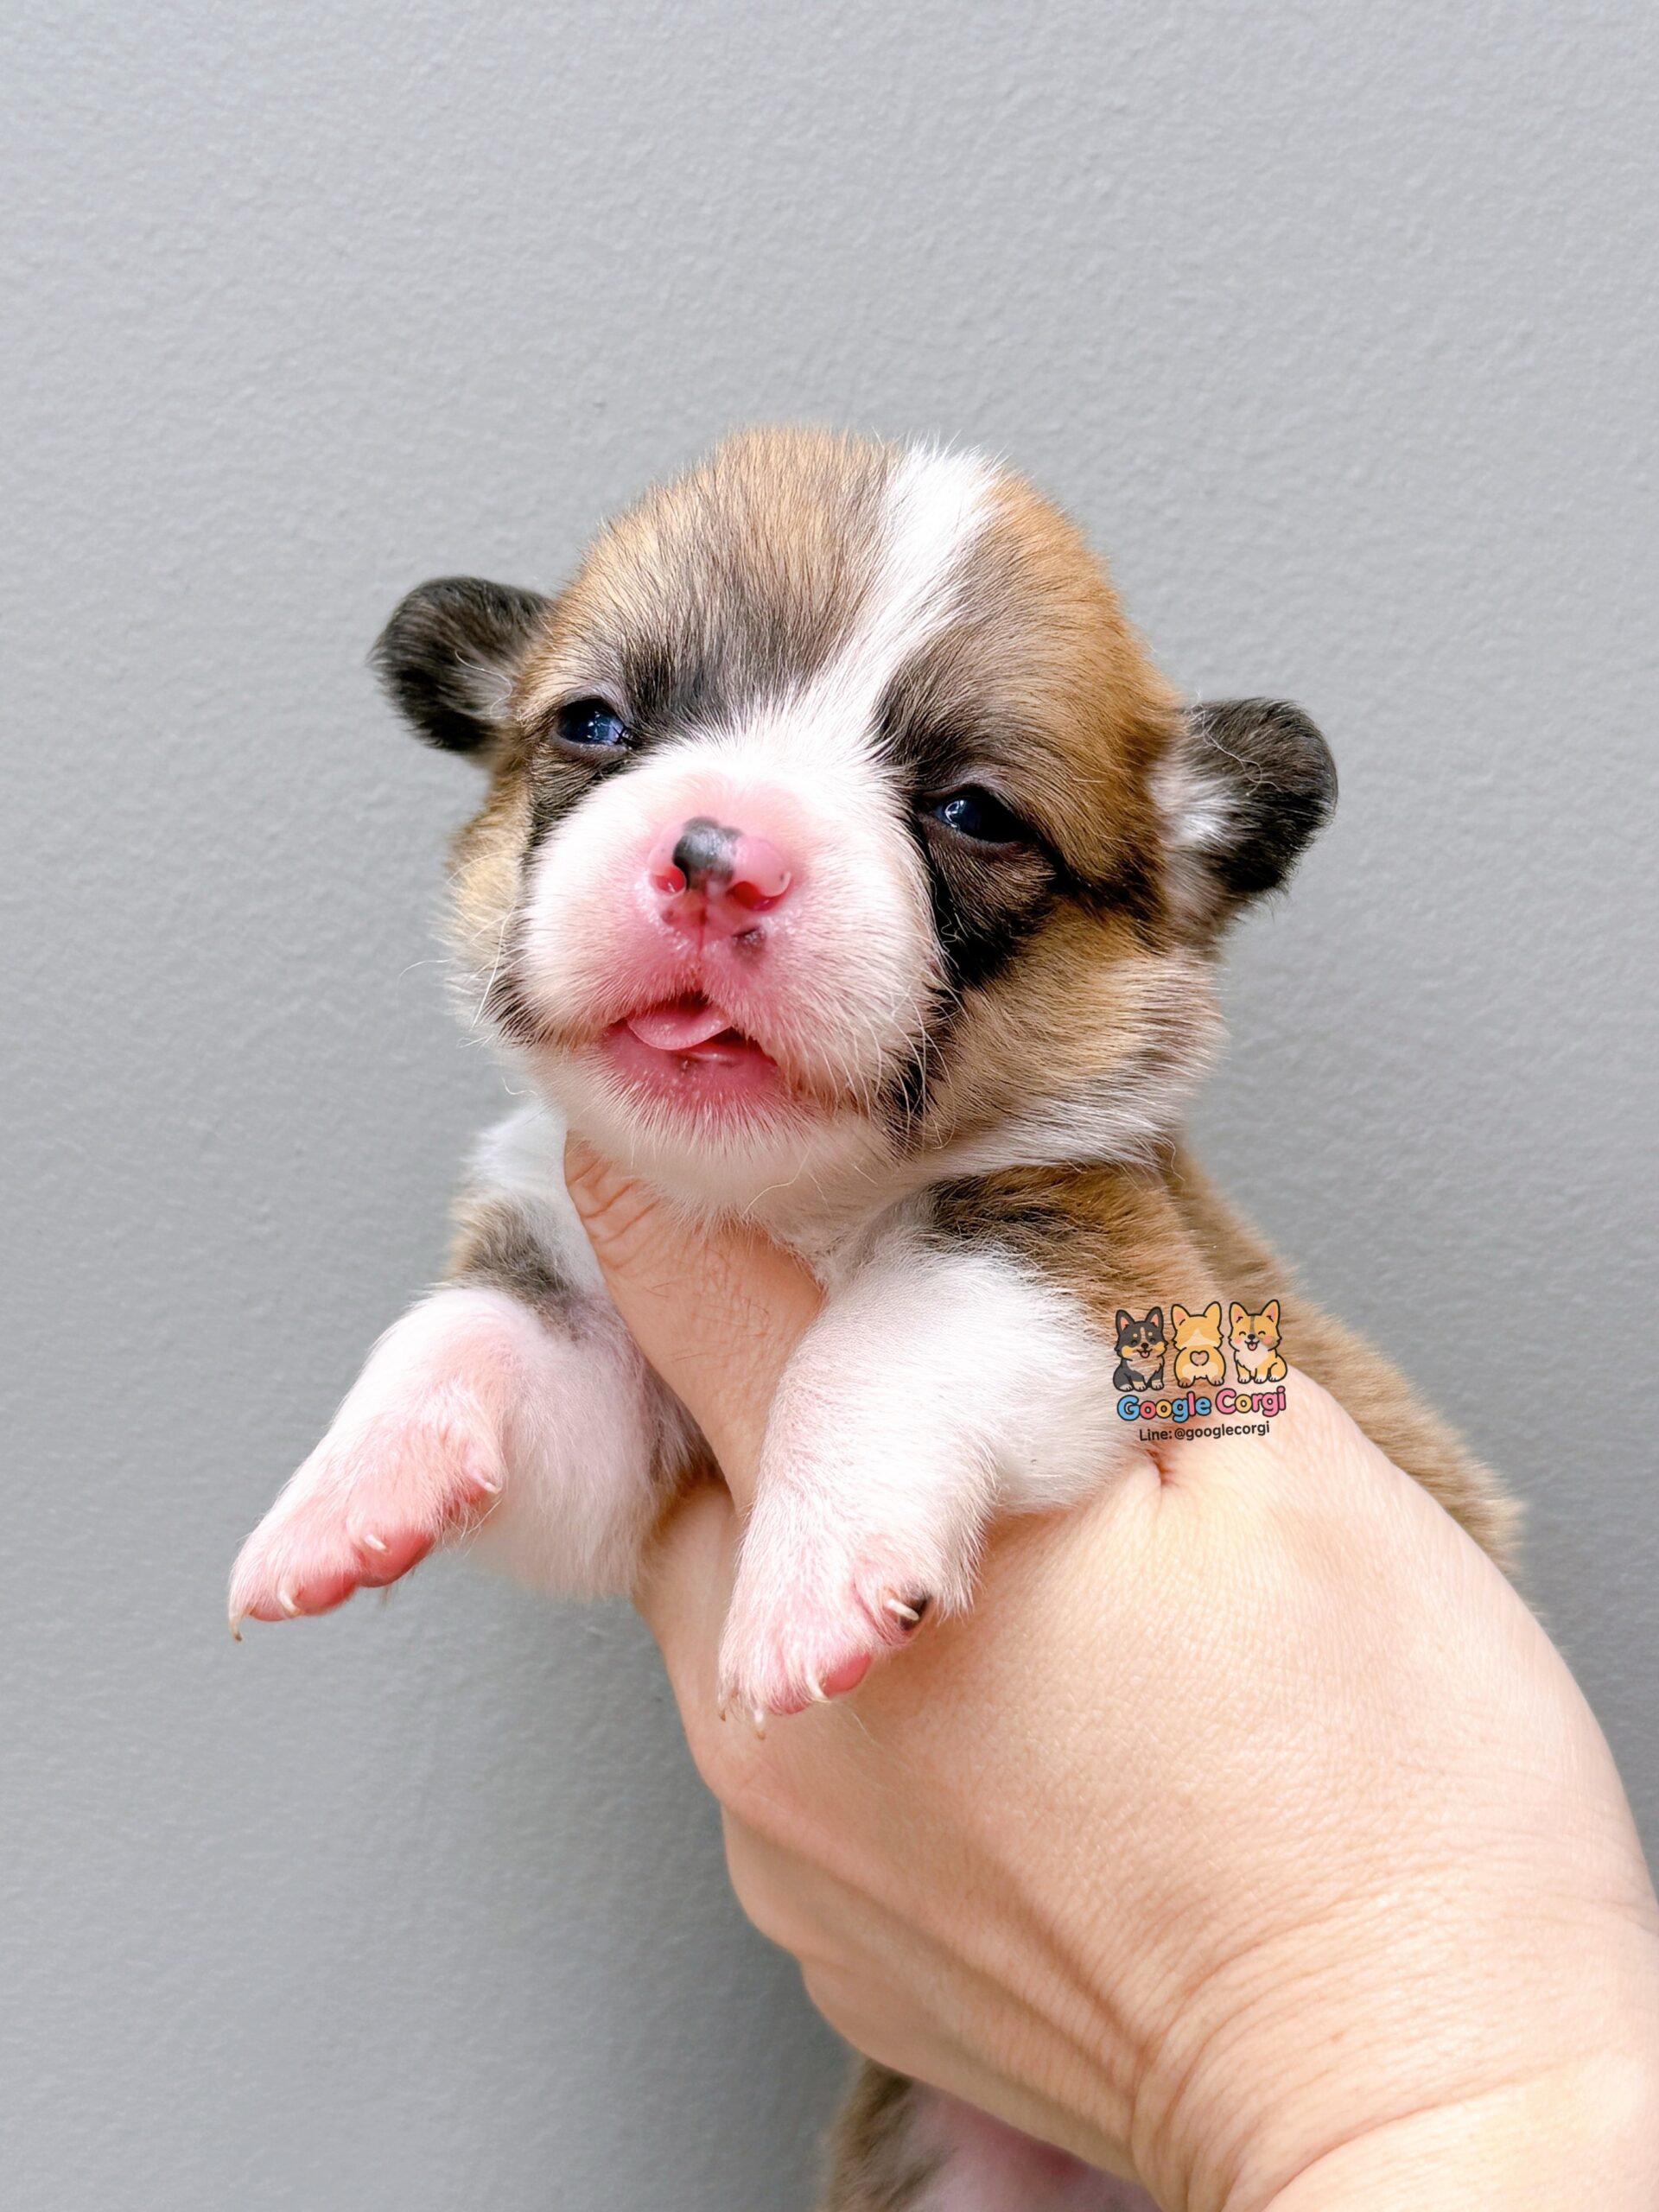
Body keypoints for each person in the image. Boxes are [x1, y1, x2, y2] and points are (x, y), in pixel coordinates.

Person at [563, 1139, 1659, 2209]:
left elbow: (1217, 1377)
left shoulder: (1197, 1331)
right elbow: (1225, 1379)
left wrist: (1379, 2091)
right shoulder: (1225, 1366)